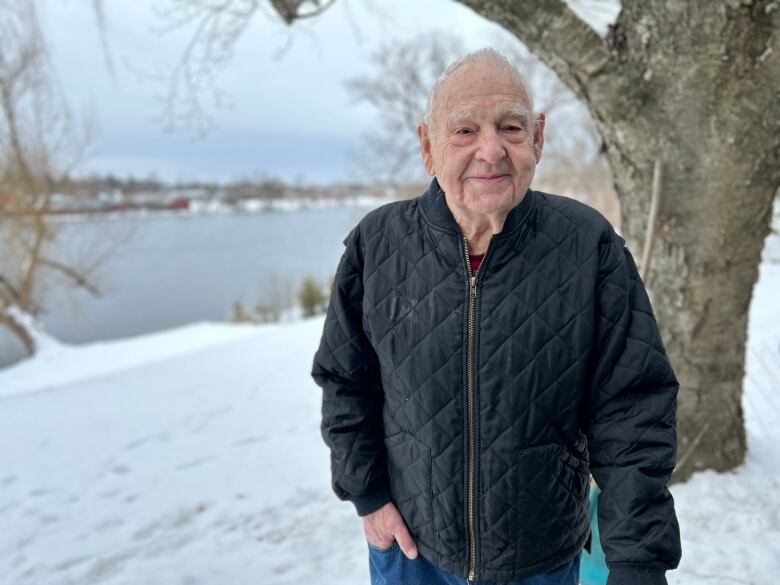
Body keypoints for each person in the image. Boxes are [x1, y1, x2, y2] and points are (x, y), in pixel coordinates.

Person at [311, 48, 681, 585]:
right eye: (464, 131)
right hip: (412, 551)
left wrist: (635, 561)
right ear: (427, 146)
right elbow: (346, 382)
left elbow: (633, 411)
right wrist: (368, 496)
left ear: (537, 139)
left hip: (544, 557)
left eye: (510, 127)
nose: (491, 150)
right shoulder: (377, 245)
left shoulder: (587, 245)